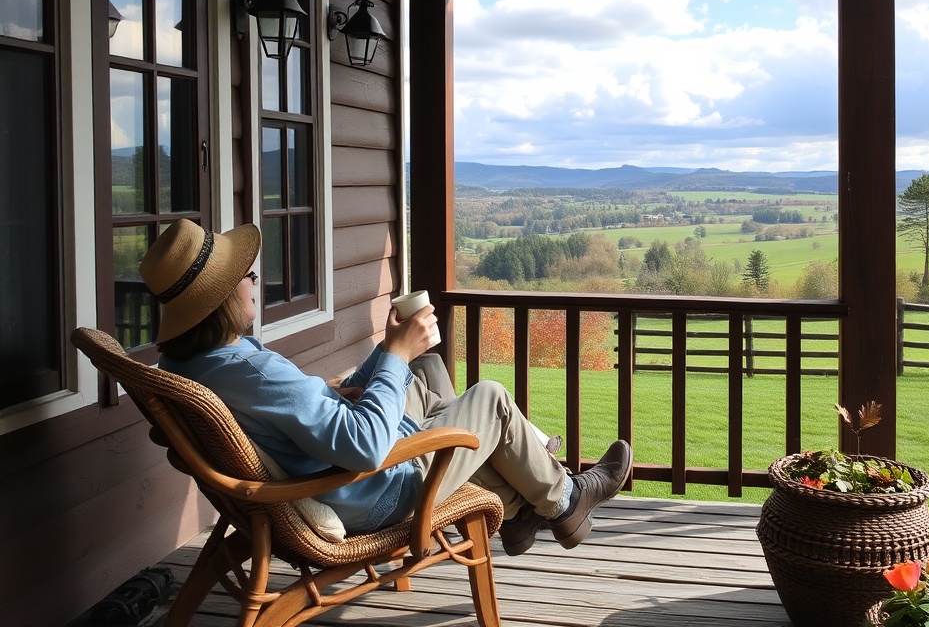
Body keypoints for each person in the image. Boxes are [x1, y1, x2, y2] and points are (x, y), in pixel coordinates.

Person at [139, 219, 632, 556]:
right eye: (244, 274)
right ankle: (564, 499)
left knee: (428, 370)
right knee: (492, 399)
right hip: (375, 491)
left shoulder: (196, 364)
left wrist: (388, 350)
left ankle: (525, 500)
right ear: (223, 298)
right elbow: (366, 447)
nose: (253, 277)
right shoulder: (253, 373)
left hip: (339, 464)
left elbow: (304, 419)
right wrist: (395, 351)